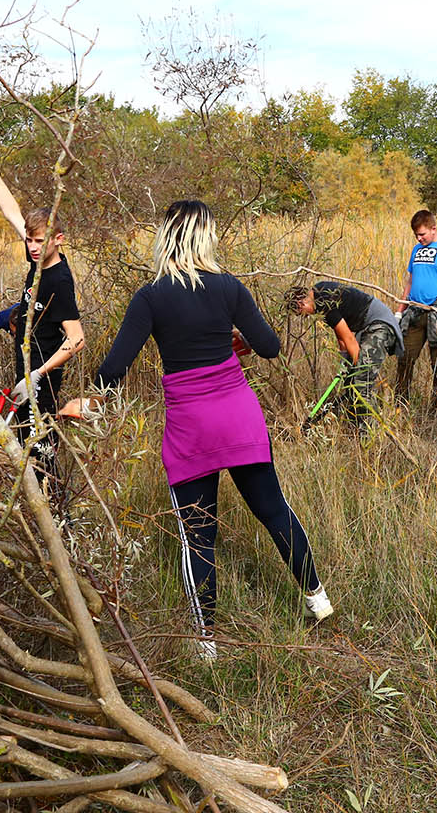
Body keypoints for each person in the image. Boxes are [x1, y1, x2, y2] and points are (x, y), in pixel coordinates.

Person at [93, 200, 331, 660]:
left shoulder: (150, 296)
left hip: (191, 427)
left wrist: (90, 399)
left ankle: (206, 640)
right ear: (206, 237)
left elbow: (115, 366)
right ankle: (317, 598)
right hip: (238, 415)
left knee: (197, 534)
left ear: (166, 237)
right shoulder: (228, 287)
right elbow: (269, 347)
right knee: (275, 512)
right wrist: (234, 340)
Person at [0, 147, 85, 467]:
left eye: (40, 241)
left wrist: (36, 375)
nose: (33, 247)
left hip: (42, 382)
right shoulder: (36, 252)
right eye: (29, 240)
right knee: (22, 448)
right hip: (26, 369)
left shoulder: (59, 280)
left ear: (58, 239)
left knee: (39, 454)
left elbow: (76, 338)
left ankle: (53, 510)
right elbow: (10, 210)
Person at [283, 281, 402, 423]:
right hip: (365, 328)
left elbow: (350, 339)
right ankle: (356, 425)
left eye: (302, 313)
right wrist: (344, 363)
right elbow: (341, 338)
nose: (306, 316)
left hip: (379, 322)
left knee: (361, 382)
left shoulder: (324, 302)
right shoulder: (319, 297)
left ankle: (371, 431)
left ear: (301, 303)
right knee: (350, 381)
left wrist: (359, 369)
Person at [395, 210, 437, 415]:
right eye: (416, 235)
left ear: (433, 228)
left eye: (422, 234)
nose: (419, 238)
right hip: (415, 310)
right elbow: (410, 281)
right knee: (405, 358)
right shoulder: (416, 249)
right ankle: (400, 405)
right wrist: (399, 311)